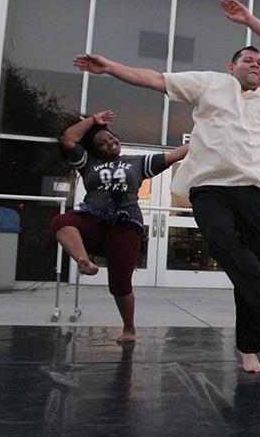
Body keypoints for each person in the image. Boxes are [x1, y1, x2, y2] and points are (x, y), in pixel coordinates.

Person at [73, 0, 260, 374]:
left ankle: (249, 348)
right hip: (209, 189)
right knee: (221, 241)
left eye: (259, 62)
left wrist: (250, 19)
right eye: (247, 61)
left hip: (255, 191)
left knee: (249, 269)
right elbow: (155, 79)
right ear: (231, 67)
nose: (256, 65)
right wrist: (110, 68)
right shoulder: (210, 84)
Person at [51, 110, 188, 344]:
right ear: (96, 150)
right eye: (102, 143)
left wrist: (206, 136)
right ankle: (84, 261)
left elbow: (175, 155)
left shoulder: (136, 163)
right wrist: (94, 120)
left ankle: (129, 329)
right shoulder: (88, 164)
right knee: (61, 221)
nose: (110, 144)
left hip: (124, 227)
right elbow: (68, 139)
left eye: (112, 138)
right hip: (94, 221)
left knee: (120, 285)